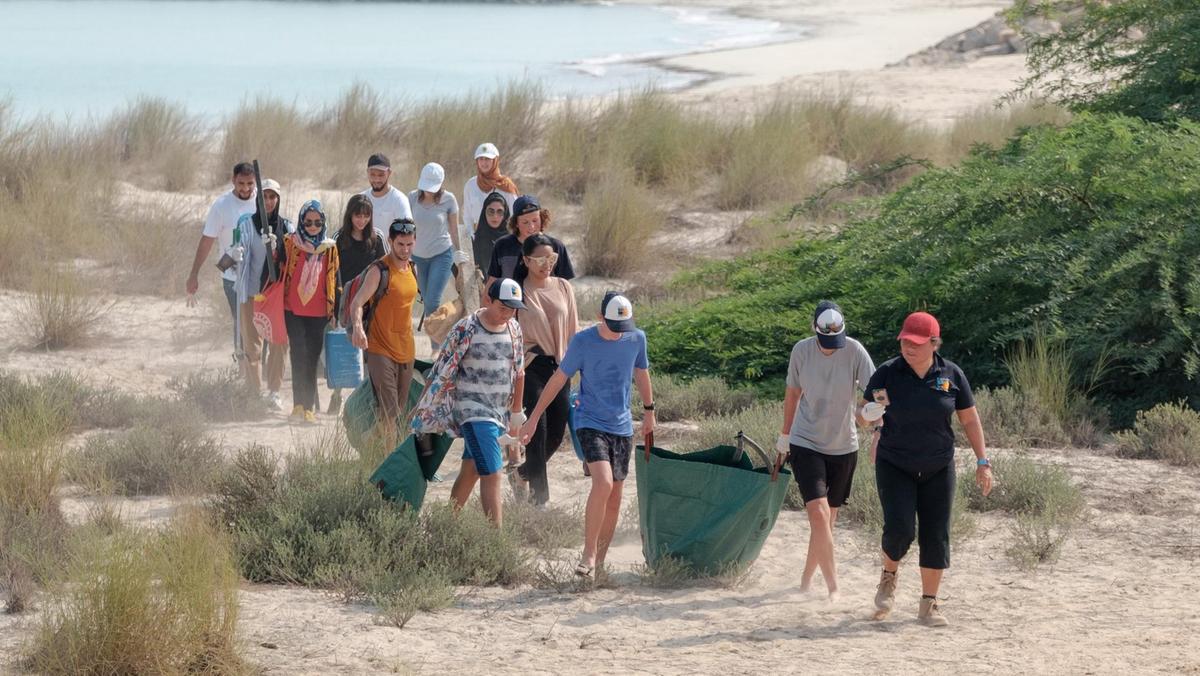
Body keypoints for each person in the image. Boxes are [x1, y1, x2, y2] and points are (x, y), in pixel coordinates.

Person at [862, 311, 992, 627]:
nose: (909, 347)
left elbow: (970, 419)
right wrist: (868, 416)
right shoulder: (886, 374)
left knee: (937, 535)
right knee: (900, 530)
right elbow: (864, 416)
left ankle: (928, 604)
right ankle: (889, 575)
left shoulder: (951, 375)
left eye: (917, 343)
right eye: (905, 340)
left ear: (934, 343)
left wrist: (983, 461)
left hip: (938, 465)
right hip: (895, 463)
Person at [520, 292, 654, 578]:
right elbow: (559, 379)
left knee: (616, 496)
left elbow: (641, 373)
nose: (619, 333)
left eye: (623, 327)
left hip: (622, 425)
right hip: (589, 419)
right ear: (599, 316)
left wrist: (649, 411)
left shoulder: (636, 339)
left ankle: (600, 565)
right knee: (603, 482)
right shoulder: (583, 341)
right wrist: (532, 419)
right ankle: (588, 554)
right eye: (613, 326)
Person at [774, 301, 875, 601]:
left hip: (844, 445)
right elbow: (792, 393)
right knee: (818, 515)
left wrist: (873, 414)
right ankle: (834, 589)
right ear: (814, 330)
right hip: (806, 441)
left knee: (827, 522)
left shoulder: (855, 350)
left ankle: (806, 580)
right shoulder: (801, 351)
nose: (831, 346)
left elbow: (875, 393)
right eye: (825, 340)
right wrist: (785, 435)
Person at [411, 279, 527, 527]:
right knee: (493, 473)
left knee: (472, 469)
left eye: (513, 309)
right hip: (472, 411)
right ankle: (496, 542)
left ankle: (444, 525)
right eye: (503, 307)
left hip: (499, 413)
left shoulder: (514, 329)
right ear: (488, 300)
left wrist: (516, 412)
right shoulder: (467, 328)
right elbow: (441, 368)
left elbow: (519, 372)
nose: (507, 314)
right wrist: (423, 408)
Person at [513, 234, 579, 506]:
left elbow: (574, 328)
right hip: (531, 365)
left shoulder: (564, 286)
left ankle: (522, 472)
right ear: (527, 260)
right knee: (536, 430)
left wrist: (576, 364)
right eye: (540, 259)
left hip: (561, 365)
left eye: (551, 259)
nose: (546, 264)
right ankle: (539, 500)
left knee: (556, 431)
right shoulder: (518, 289)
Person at [348, 219, 420, 437]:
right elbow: (357, 303)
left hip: (406, 350)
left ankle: (370, 446)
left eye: (409, 244)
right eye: (400, 244)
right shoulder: (379, 270)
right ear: (390, 241)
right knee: (389, 412)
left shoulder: (413, 268)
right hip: (379, 348)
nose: (405, 250)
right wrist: (358, 328)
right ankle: (390, 464)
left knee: (395, 412)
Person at [185, 162, 257, 356]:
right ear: (233, 180)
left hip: (259, 274)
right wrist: (194, 274)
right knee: (241, 321)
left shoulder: (262, 200)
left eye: (250, 183)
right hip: (232, 273)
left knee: (259, 322)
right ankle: (242, 364)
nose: (245, 188)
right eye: (241, 183)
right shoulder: (222, 205)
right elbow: (207, 240)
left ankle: (258, 366)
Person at [232, 178, 291, 410]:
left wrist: (279, 248)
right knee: (251, 346)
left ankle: (274, 391)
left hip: (276, 296)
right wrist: (235, 253)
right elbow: (239, 247)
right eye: (264, 196)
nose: (268, 201)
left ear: (278, 199)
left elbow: (293, 258)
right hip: (250, 293)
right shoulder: (246, 224)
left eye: (272, 196)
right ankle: (254, 394)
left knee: (278, 342)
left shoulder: (287, 227)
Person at [281, 200, 339, 424]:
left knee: (312, 357)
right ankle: (298, 405)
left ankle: (309, 408)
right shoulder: (290, 242)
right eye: (308, 222)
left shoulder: (330, 247)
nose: (313, 226)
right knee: (298, 353)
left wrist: (334, 309)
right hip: (292, 308)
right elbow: (278, 267)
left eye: (318, 222)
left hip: (318, 312)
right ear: (301, 221)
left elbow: (335, 277)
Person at [329, 194, 387, 413]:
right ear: (350, 215)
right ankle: (336, 395)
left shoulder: (377, 238)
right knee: (345, 349)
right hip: (346, 300)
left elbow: (386, 268)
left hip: (372, 302)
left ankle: (365, 397)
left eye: (365, 215)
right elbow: (332, 274)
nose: (361, 220)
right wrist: (334, 307)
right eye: (357, 215)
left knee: (369, 349)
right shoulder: (339, 238)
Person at [409, 162, 467, 318]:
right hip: (417, 257)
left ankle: (436, 342)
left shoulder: (449, 200)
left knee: (432, 301)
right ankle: (440, 334)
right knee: (425, 299)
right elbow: (407, 228)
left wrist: (460, 252)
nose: (428, 190)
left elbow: (454, 229)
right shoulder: (412, 197)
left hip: (441, 255)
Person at [485, 195, 575, 286]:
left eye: (535, 220)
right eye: (525, 222)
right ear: (516, 223)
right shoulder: (502, 246)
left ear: (542, 218)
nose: (531, 227)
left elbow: (565, 286)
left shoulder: (556, 246)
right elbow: (492, 281)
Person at [460, 142, 518, 245]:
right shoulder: (470, 185)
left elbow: (515, 213)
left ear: (495, 161)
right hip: (479, 239)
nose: (484, 163)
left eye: (487, 159)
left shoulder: (505, 185)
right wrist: (472, 235)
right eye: (481, 159)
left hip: (503, 239)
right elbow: (467, 214)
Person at [361, 153, 411, 248]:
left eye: (381, 175)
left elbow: (407, 232)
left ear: (389, 173)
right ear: (367, 173)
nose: (376, 179)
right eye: (373, 175)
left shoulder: (399, 200)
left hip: (390, 258)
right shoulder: (361, 199)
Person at [472, 191, 511, 284]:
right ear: (484, 212)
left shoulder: (512, 240)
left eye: (500, 212)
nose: (495, 216)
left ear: (505, 214)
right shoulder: (475, 241)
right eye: (490, 211)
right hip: (482, 292)